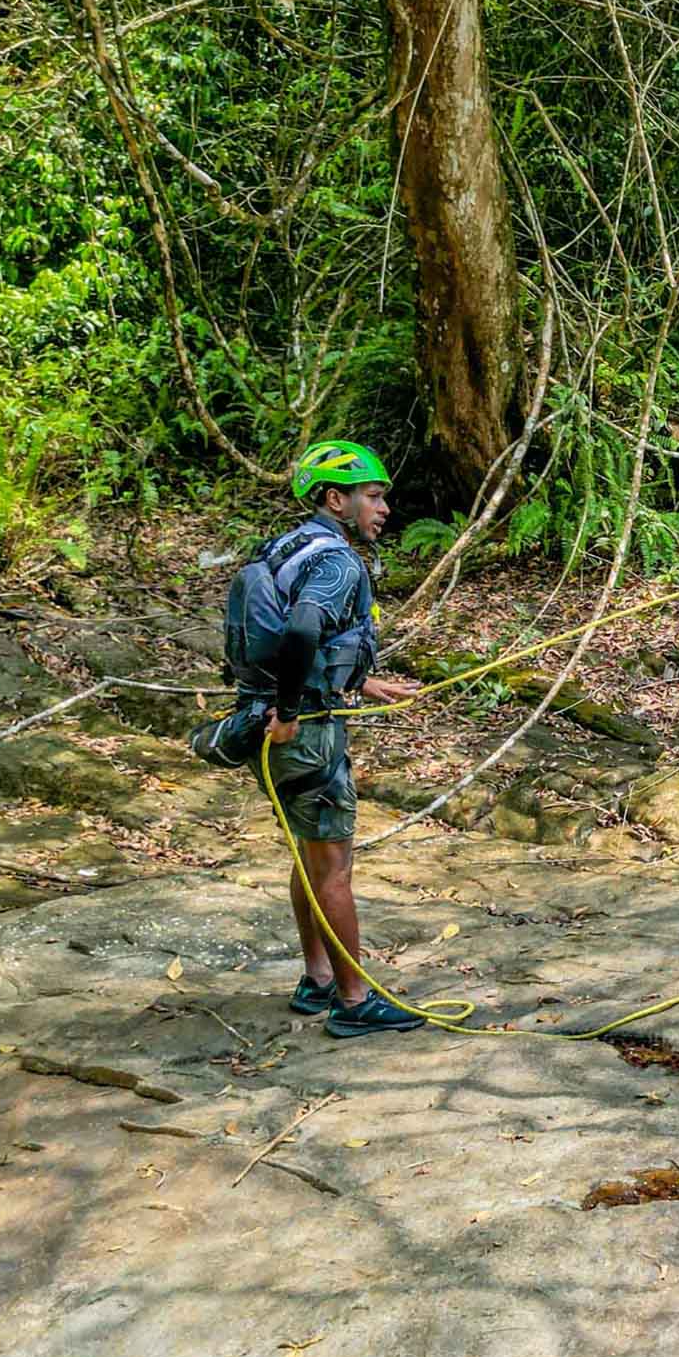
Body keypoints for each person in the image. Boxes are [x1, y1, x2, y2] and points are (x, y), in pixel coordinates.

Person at [255, 442, 425, 1039]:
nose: (383, 509)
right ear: (337, 499)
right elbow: (302, 628)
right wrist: (295, 709)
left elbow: (291, 632)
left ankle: (318, 979)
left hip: (270, 720)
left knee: (309, 852)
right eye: (373, 497)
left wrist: (361, 680)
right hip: (305, 731)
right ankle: (354, 1002)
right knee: (334, 866)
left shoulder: (286, 547)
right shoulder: (339, 562)